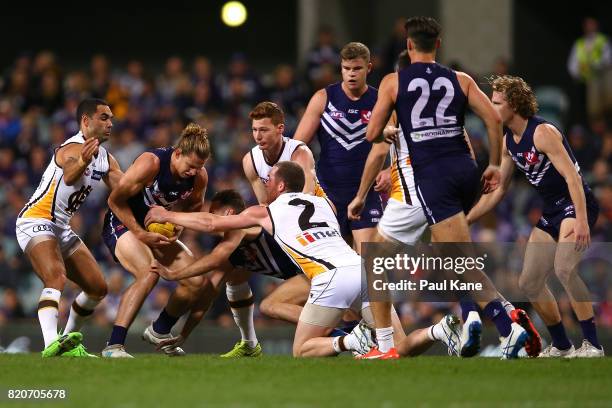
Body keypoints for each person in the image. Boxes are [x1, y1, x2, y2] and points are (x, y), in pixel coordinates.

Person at [146, 161, 462, 358]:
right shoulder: (323, 204)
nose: (265, 184)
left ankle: (353, 342)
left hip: (331, 278)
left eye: (269, 179)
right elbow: (310, 173)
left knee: (303, 350)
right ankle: (440, 331)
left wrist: (165, 213)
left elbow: (212, 224)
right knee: (396, 348)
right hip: (365, 270)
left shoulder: (265, 212)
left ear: (281, 185)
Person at [362, 16, 533, 359]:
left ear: (408, 45)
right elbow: (494, 119)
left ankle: (508, 326)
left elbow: (371, 133)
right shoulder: (461, 79)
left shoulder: (394, 83)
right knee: (451, 255)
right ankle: (476, 315)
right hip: (465, 171)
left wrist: (386, 132)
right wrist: (495, 164)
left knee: (450, 260)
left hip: (432, 177)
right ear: (438, 45)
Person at [467, 75, 604, 358]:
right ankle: (563, 346)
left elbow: (573, 179)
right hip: (552, 210)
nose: (491, 109)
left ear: (514, 104)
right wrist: (466, 219)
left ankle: (593, 344)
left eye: (497, 103)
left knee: (564, 268)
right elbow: (498, 191)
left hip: (576, 204)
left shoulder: (543, 133)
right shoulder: (508, 142)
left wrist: (580, 220)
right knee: (529, 282)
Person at [213, 101, 325, 357]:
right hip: (281, 230)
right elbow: (265, 203)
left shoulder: (299, 153)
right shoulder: (250, 160)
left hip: (310, 232)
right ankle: (249, 343)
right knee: (235, 263)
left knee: (337, 302)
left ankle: (350, 335)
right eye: (254, 130)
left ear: (280, 129)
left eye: (264, 130)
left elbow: (305, 199)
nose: (258, 136)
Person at [15, 98, 122, 357]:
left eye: (111, 118)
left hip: (60, 228)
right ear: (86, 121)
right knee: (56, 277)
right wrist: (84, 161)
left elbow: (125, 189)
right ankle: (51, 343)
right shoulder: (71, 147)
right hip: (36, 220)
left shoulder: (106, 158)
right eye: (104, 118)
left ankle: (68, 342)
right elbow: (71, 173)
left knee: (98, 288)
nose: (110, 123)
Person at [100, 123, 210, 358]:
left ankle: (159, 331)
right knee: (148, 272)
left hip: (156, 229)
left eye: (199, 167)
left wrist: (178, 223)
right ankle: (114, 345)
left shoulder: (199, 176)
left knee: (195, 280)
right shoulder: (151, 163)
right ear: (178, 153)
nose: (193, 172)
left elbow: (195, 206)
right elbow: (115, 200)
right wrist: (140, 233)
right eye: (190, 166)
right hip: (122, 222)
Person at [294, 42, 387, 253]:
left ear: (369, 68)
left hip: (366, 192)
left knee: (369, 259)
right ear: (341, 68)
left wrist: (388, 170)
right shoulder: (323, 98)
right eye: (346, 69)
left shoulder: (380, 101)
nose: (351, 74)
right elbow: (297, 147)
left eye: (357, 69)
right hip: (328, 193)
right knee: (337, 264)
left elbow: (400, 142)